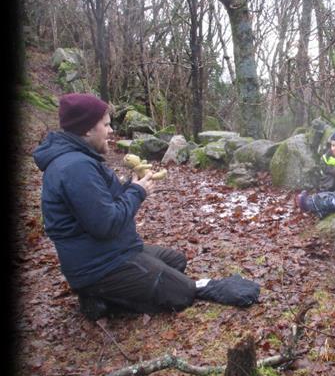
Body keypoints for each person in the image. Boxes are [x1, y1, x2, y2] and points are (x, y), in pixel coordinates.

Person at [32, 93, 221, 321]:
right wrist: (137, 192)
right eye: (106, 125)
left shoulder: (80, 159)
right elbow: (106, 224)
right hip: (99, 266)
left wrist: (131, 184)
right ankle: (97, 296)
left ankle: (115, 290)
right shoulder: (75, 168)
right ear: (86, 130)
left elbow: (102, 203)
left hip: (113, 250)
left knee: (176, 260)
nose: (111, 131)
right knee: (182, 292)